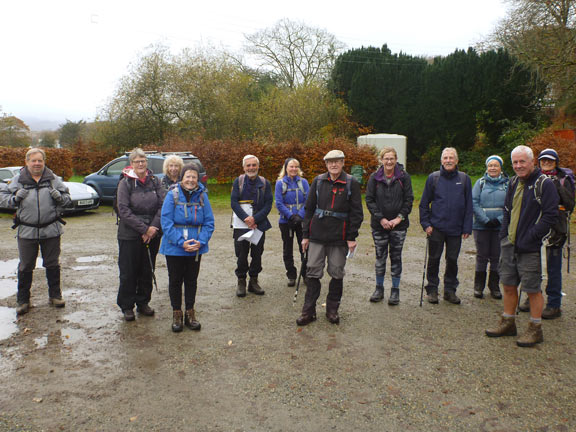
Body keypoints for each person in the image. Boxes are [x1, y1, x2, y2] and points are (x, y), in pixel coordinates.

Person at [485, 145, 559, 347]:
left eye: (522, 161)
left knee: (532, 289)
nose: (518, 166)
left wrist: (532, 237)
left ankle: (535, 329)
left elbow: (551, 215)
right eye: (515, 162)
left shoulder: (545, 184)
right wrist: (504, 236)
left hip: (531, 247)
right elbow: (507, 210)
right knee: (508, 285)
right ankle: (508, 322)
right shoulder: (513, 182)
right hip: (509, 243)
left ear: (532, 161)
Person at [0, 148, 71, 315]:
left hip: (51, 229)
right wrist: (15, 198)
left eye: (40, 160)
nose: (37, 163)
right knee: (25, 266)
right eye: (34, 160)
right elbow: (3, 198)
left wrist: (60, 198)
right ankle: (23, 300)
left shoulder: (53, 179)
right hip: (26, 230)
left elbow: (67, 199)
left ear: (44, 162)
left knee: (52, 264)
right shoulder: (18, 180)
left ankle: (55, 296)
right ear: (27, 162)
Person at [296, 150, 363, 325]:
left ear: (342, 163)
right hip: (317, 235)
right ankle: (308, 311)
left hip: (339, 237)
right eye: (330, 162)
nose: (333, 165)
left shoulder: (351, 183)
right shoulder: (318, 181)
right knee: (312, 272)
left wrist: (351, 237)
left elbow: (356, 213)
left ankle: (332, 310)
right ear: (326, 164)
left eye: (337, 161)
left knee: (337, 273)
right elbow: (308, 209)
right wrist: (305, 236)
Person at [517, 148, 575, 319]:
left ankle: (554, 304)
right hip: (535, 229)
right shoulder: (533, 178)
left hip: (556, 231)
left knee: (553, 268)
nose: (546, 163)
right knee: (533, 266)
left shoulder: (563, 179)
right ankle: (532, 297)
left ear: (556, 162)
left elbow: (570, 204)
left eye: (550, 161)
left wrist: (556, 186)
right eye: (543, 160)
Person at [160, 163, 215, 332]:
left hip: (195, 246)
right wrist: (180, 242)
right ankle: (177, 313)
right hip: (174, 246)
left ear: (198, 179)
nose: (191, 180)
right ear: (182, 178)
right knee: (175, 280)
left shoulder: (202, 196)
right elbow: (166, 222)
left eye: (194, 177)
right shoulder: (172, 195)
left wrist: (201, 241)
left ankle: (190, 312)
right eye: (188, 176)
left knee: (191, 280)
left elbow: (209, 222)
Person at [116, 148, 165, 321]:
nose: (141, 164)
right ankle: (127, 305)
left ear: (146, 162)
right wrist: (143, 229)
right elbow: (123, 210)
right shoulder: (125, 183)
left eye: (143, 160)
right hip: (129, 234)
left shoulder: (155, 181)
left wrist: (152, 228)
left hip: (153, 233)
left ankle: (143, 302)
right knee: (129, 271)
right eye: (137, 161)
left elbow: (162, 205)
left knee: (147, 269)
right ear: (132, 164)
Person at [419, 147, 473, 305]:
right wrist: (426, 224)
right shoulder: (433, 178)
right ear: (441, 160)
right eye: (445, 158)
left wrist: (467, 227)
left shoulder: (464, 179)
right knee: (434, 259)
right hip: (436, 228)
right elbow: (423, 205)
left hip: (456, 229)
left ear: (456, 161)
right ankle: (432, 290)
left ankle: (450, 290)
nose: (448, 161)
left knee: (452, 260)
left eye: (451, 158)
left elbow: (469, 205)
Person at [365, 147, 414, 305]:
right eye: (386, 158)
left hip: (399, 226)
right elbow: (369, 200)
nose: (389, 161)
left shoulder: (404, 177)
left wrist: (398, 219)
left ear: (396, 159)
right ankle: (379, 288)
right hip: (379, 226)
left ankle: (395, 290)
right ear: (381, 160)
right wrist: (381, 219)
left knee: (396, 257)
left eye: (392, 158)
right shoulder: (374, 178)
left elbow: (409, 200)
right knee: (380, 257)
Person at [230, 155, 273, 297]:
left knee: (257, 254)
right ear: (244, 167)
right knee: (241, 254)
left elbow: (268, 204)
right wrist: (246, 218)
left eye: (254, 165)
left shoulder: (265, 183)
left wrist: (255, 219)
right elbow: (234, 202)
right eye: (248, 165)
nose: (251, 168)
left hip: (259, 224)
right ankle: (241, 281)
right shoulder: (238, 181)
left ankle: (253, 282)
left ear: (258, 166)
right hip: (241, 224)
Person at [471, 155, 509, 299]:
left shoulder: (508, 184)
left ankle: (494, 286)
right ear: (487, 167)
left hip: (500, 227)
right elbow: (474, 202)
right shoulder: (480, 183)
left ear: (501, 167)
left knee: (496, 256)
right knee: (482, 256)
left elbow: (510, 205)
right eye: (490, 165)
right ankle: (478, 286)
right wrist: (485, 220)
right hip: (481, 226)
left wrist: (499, 220)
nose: (493, 168)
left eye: (496, 165)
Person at [275, 158, 310, 287]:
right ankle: (291, 275)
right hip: (286, 221)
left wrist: (300, 216)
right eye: (291, 166)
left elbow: (309, 200)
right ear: (286, 168)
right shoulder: (280, 183)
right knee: (287, 249)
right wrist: (290, 216)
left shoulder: (304, 182)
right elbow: (278, 202)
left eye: (296, 166)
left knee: (305, 248)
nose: (294, 169)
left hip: (301, 221)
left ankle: (305, 274)